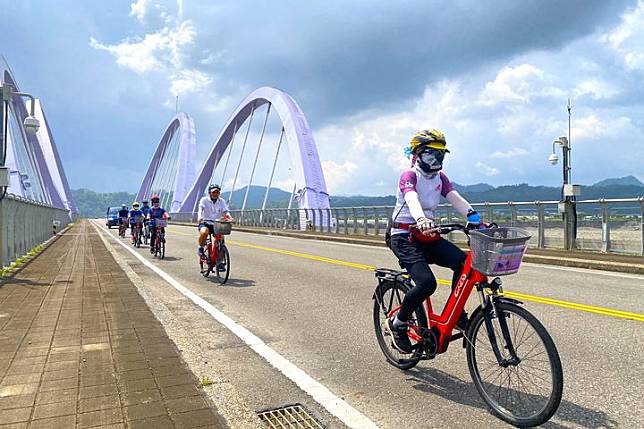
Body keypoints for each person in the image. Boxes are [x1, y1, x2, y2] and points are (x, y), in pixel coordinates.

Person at [387, 129, 482, 354]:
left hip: (427, 234)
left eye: (440, 155)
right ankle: (398, 324)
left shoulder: (440, 178)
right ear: (418, 154)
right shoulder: (409, 175)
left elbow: (454, 196)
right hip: (404, 236)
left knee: (464, 263)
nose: (436, 160)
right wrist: (420, 219)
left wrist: (473, 216)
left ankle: (456, 314)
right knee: (427, 284)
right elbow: (411, 197)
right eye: (431, 155)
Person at [197, 184, 233, 266]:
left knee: (220, 240)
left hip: (216, 224)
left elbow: (225, 212)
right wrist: (200, 217)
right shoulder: (204, 200)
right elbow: (200, 209)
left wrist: (230, 218)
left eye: (217, 192)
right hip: (205, 222)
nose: (215, 194)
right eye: (213, 192)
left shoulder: (222, 201)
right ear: (209, 193)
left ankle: (219, 262)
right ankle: (200, 248)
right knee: (204, 232)